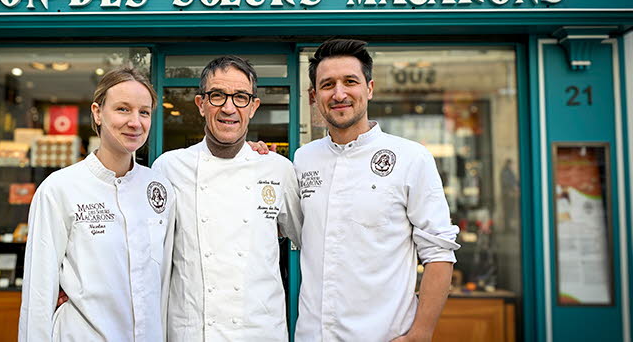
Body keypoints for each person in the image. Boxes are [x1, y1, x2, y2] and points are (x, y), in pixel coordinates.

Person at [292, 39, 459, 342]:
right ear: (314, 97)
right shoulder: (303, 159)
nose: (339, 93)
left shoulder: (411, 157)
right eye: (327, 84)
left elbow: (439, 254)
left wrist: (420, 335)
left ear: (369, 88)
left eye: (350, 81)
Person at [18, 68, 175, 341]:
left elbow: (163, 285)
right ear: (97, 112)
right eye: (123, 109)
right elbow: (38, 292)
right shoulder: (59, 189)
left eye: (144, 112)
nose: (135, 122)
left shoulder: (160, 189)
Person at [152, 55, 301, 341]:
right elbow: (147, 252)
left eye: (241, 97)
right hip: (193, 330)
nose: (229, 108)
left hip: (259, 331)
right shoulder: (168, 168)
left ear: (254, 106)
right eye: (217, 96)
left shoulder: (278, 169)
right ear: (201, 104)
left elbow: (309, 240)